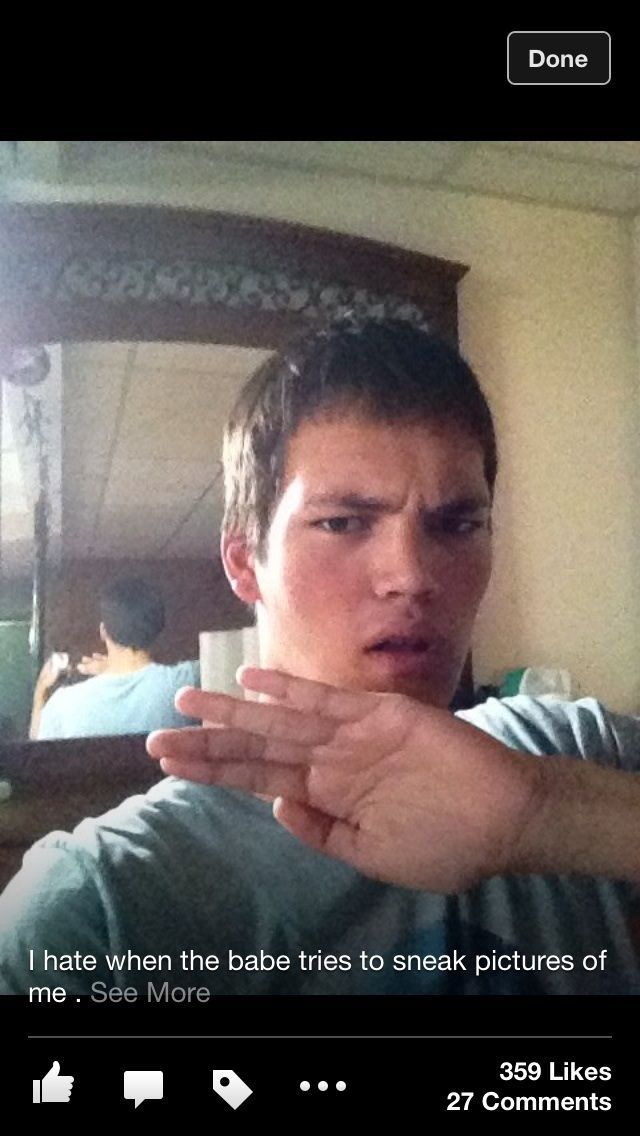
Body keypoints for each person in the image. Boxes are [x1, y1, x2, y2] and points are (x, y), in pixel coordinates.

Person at [1, 319, 638, 996]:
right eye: (342, 522)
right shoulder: (101, 909)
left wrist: (549, 814)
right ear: (244, 563)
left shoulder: (576, 750)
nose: (412, 576)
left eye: (456, 524)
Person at [29, 577, 200, 739]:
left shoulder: (63, 704)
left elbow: (40, 747)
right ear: (158, 627)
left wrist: (40, 691)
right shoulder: (188, 682)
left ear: (103, 631)